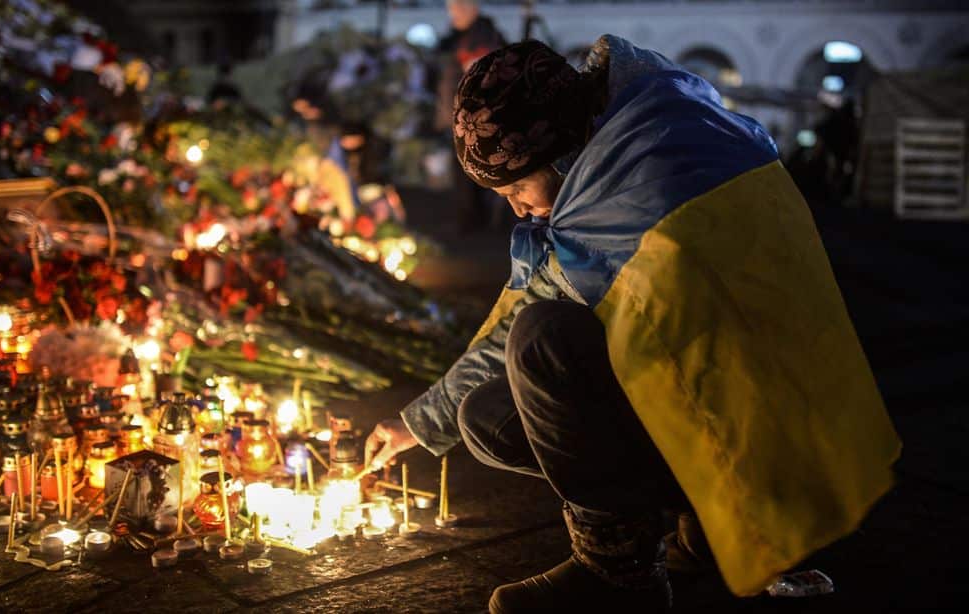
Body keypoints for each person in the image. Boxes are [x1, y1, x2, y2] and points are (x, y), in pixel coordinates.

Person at [365, 37, 901, 612]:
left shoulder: (626, 189)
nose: (518, 211)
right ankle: (702, 524)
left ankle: (619, 572)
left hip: (769, 436)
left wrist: (418, 422)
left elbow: (525, 317)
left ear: (561, 154)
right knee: (490, 415)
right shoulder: (655, 123)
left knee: (541, 341)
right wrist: (418, 424)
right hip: (783, 406)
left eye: (518, 189)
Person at [435, 0, 506, 232]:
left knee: (467, 171)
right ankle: (473, 219)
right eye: (450, 9)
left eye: (456, 8)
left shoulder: (479, 39)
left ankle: (469, 222)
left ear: (471, 8)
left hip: (470, 120)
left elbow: (478, 79)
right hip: (464, 117)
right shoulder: (467, 36)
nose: (451, 14)